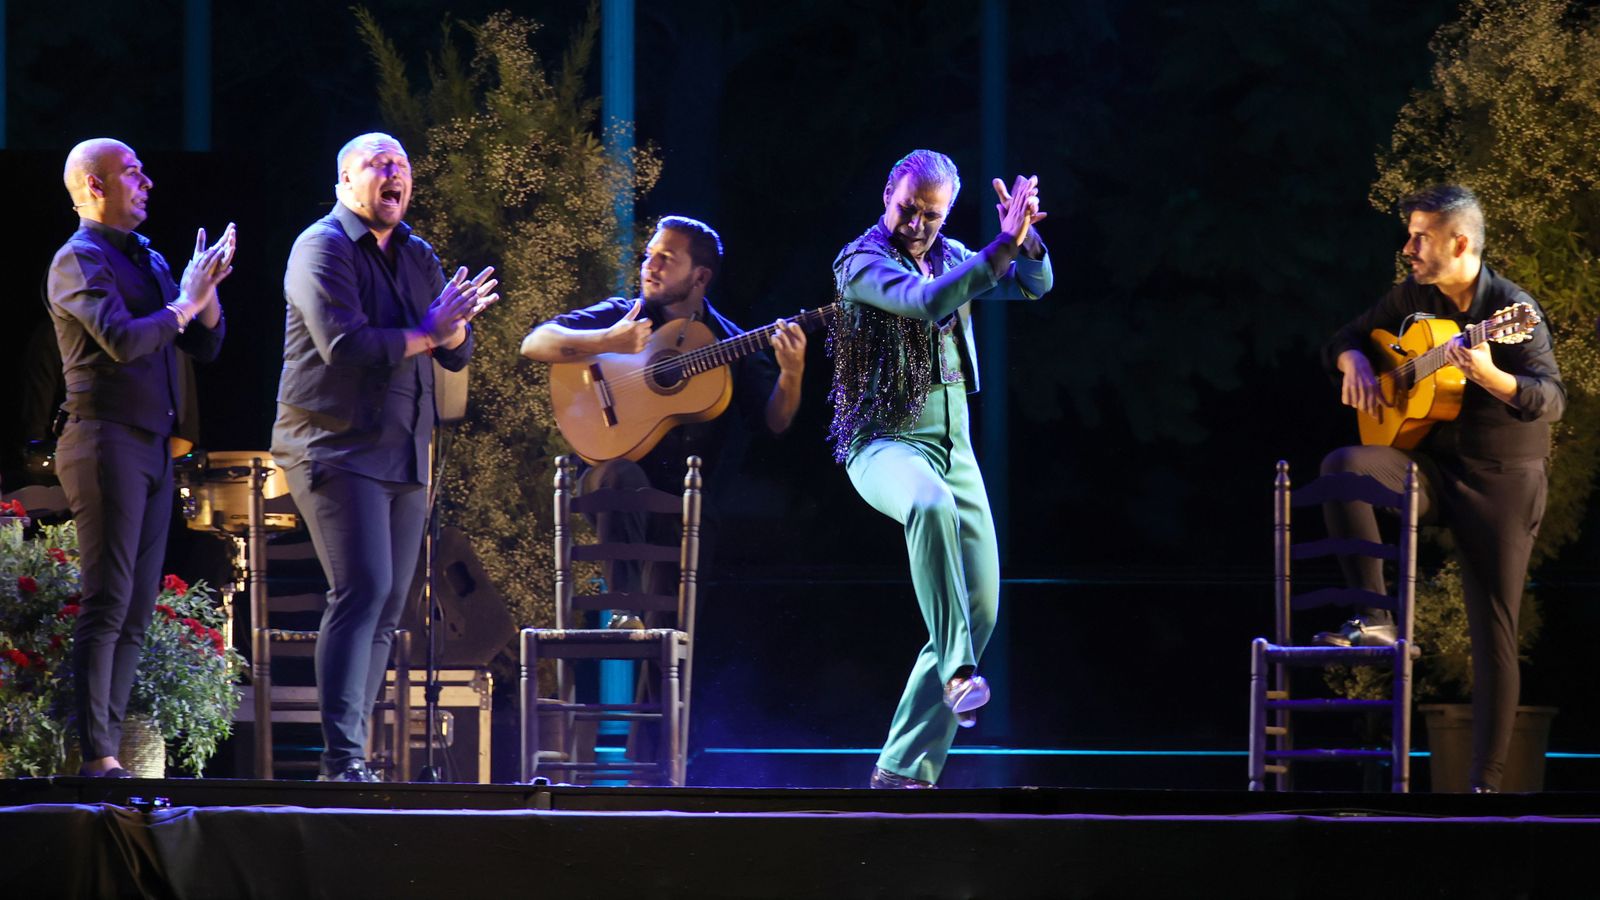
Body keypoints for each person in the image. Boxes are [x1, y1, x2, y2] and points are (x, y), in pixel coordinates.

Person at [1319, 184, 1564, 793]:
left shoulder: (1513, 308)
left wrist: (1494, 377)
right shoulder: (1415, 295)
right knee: (1342, 465)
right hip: (1434, 468)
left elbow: (1551, 399)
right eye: (1409, 236)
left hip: (1502, 480)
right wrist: (1353, 361)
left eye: (1419, 238)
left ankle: (1485, 786)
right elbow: (1346, 337)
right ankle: (1375, 617)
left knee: (1492, 632)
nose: (1408, 249)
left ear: (1458, 244)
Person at [274, 132, 497, 783]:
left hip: (403, 452)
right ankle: (340, 760)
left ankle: (353, 758)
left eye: (401, 165)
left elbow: (455, 351)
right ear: (345, 181)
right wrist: (429, 332)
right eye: (378, 164)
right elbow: (344, 345)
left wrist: (453, 328)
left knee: (389, 605)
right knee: (362, 589)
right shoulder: (321, 247)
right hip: (334, 445)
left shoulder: (417, 253)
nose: (394, 173)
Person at [827, 149, 1052, 788]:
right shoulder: (860, 261)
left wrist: (1025, 239)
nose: (917, 224)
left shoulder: (953, 254)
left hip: (956, 447)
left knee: (980, 608)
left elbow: (1035, 284)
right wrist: (999, 248)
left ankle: (902, 770)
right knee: (927, 505)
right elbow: (926, 302)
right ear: (887, 196)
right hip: (884, 441)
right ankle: (957, 674)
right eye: (908, 209)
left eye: (932, 215)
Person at [47, 138, 236, 778]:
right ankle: (96, 755)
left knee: (135, 607)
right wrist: (184, 301)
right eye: (132, 172)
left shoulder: (148, 256)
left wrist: (205, 291)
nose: (148, 181)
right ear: (95, 186)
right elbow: (124, 340)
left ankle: (110, 753)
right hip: (104, 439)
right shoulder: (78, 259)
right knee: (108, 598)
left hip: (153, 446)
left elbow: (204, 344)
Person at [521, 215, 806, 608]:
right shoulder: (625, 315)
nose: (649, 266)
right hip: (608, 475)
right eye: (648, 255)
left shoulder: (731, 343)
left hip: (683, 500)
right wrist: (606, 340)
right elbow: (535, 343)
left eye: (665, 259)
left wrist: (792, 372)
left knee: (673, 605)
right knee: (622, 476)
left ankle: (660, 638)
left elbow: (775, 421)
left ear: (700, 277)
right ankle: (624, 609)